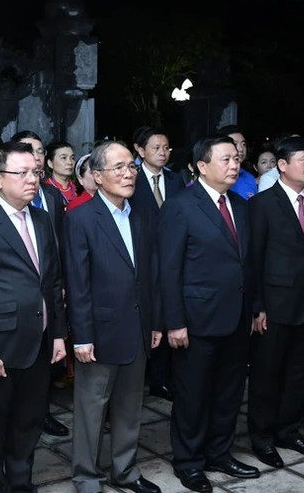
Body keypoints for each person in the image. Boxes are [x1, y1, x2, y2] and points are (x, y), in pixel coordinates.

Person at [0, 141, 67, 493]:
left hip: (40, 340)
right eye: (22, 173)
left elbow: (52, 281)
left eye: (35, 172)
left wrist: (59, 335)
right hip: (0, 345)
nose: (32, 179)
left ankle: (21, 483)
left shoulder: (42, 218)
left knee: (29, 421)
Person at [158, 136, 260, 493]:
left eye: (236, 159)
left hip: (236, 315)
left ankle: (220, 452)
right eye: (226, 159)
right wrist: (175, 321)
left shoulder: (240, 204)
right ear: (202, 165)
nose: (235, 165)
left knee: (229, 391)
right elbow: (169, 269)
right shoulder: (181, 205)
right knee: (193, 394)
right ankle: (188, 462)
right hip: (196, 319)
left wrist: (254, 308)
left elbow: (247, 263)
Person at [65, 141, 162, 493]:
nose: (127, 174)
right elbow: (77, 283)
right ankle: (86, 477)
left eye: (131, 167)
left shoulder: (140, 214)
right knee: (91, 410)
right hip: (99, 331)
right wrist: (82, 335)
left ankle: (126, 470)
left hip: (137, 327)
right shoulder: (80, 218)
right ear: (97, 176)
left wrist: (154, 323)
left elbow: (150, 275)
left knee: (129, 407)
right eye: (118, 167)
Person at [247, 136, 304, 469]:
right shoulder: (262, 204)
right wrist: (258, 306)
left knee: (299, 372)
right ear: (283, 165)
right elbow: (253, 259)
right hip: (274, 305)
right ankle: (262, 438)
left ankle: (289, 430)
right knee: (267, 374)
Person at [8, 130, 70, 437]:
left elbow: (58, 245)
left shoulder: (52, 198)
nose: (36, 159)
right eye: (28, 154)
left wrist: (59, 284)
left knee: (43, 368)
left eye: (40, 154)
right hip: (13, 310)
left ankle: (41, 414)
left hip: (49, 292)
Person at [128, 125, 185, 402]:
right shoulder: (131, 180)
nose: (162, 153)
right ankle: (142, 377)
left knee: (168, 312)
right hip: (142, 256)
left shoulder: (176, 180)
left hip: (172, 256)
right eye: (156, 148)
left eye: (166, 148)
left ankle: (162, 379)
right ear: (140, 150)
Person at [218, 125, 257, 199]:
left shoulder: (249, 178)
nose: (241, 149)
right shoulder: (213, 175)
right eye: (235, 144)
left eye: (243, 144)